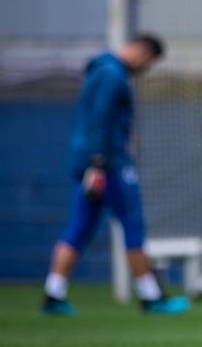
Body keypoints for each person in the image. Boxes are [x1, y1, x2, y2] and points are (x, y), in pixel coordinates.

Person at [41, 33, 191, 317]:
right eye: (149, 63)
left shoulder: (99, 70)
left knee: (79, 228)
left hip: (87, 163)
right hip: (109, 165)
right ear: (143, 54)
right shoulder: (112, 75)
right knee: (133, 226)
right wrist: (99, 163)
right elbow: (101, 119)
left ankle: (53, 294)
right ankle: (151, 297)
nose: (145, 70)